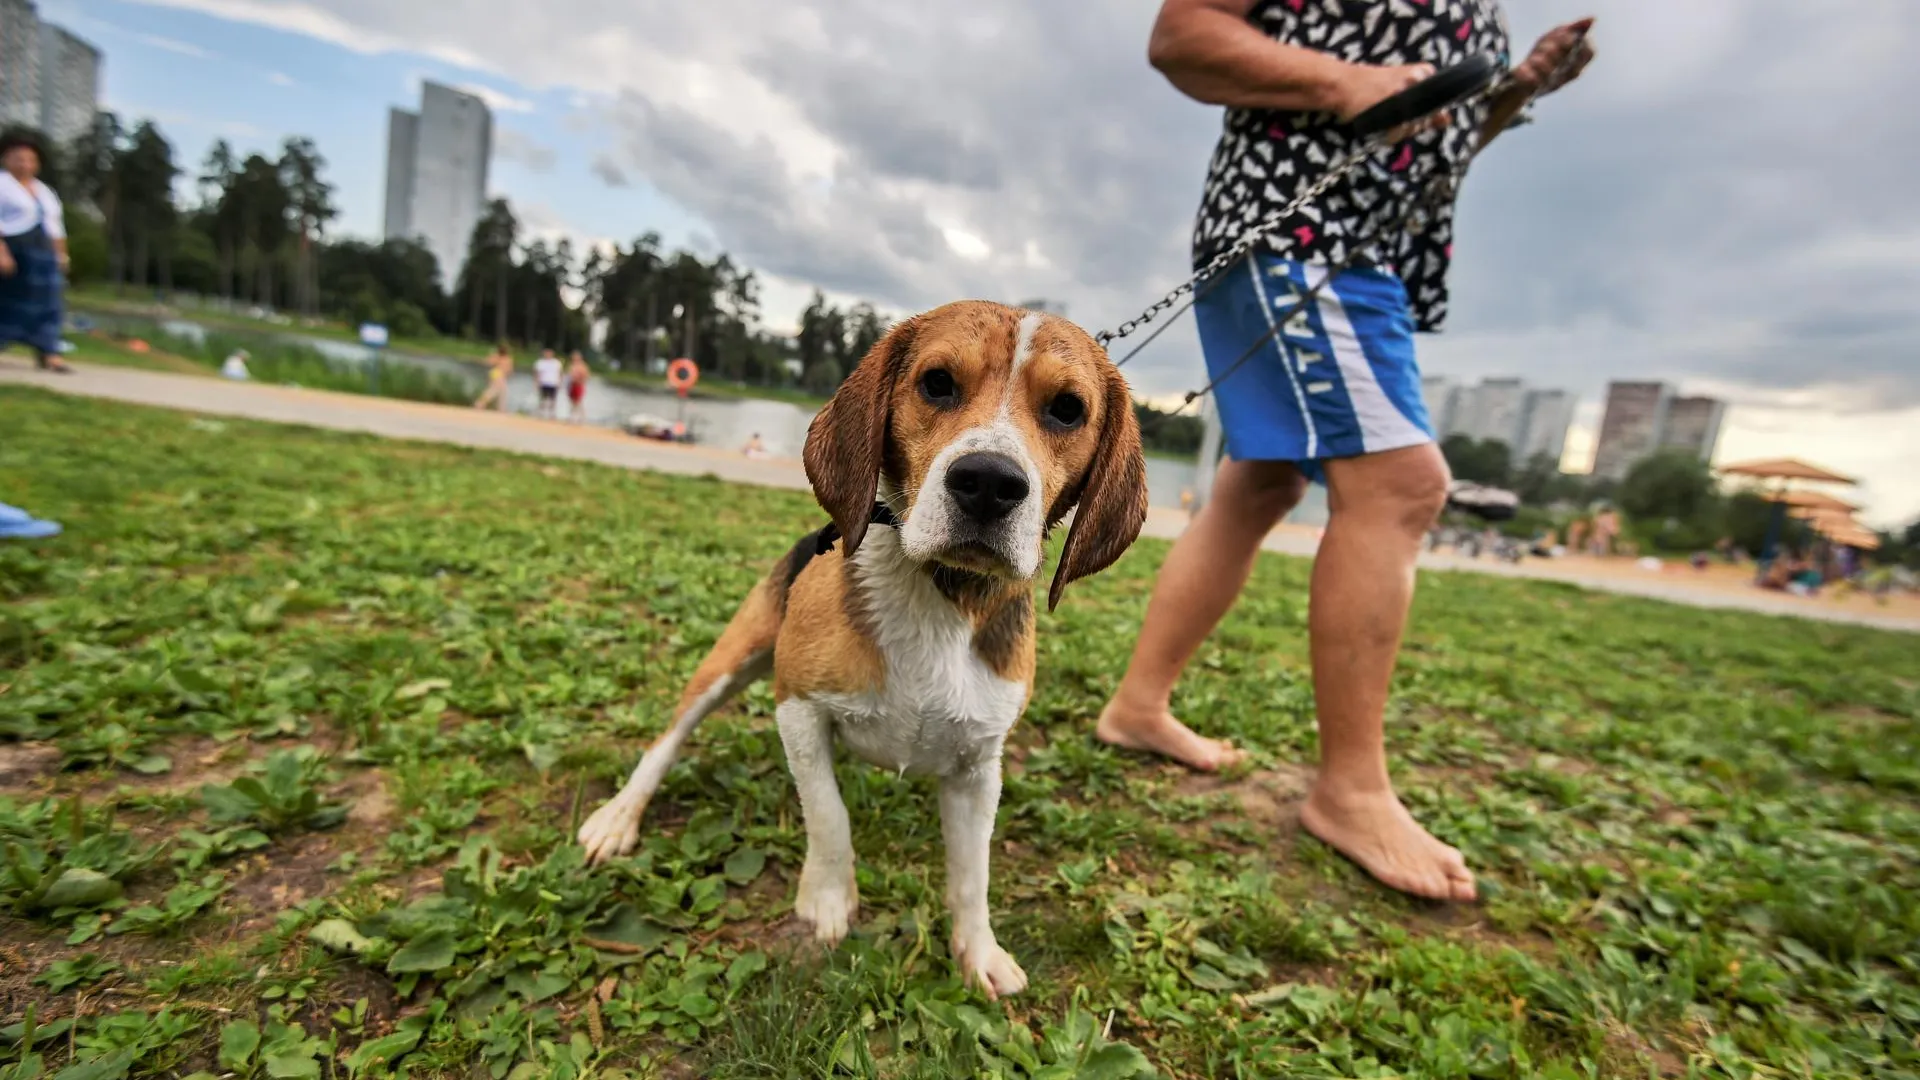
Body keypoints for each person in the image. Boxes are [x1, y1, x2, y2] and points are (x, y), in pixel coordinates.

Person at [1098, 1, 1594, 902]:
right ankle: (1352, 790)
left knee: (1261, 484)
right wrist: (1348, 81)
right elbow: (1183, 33)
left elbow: (1425, 147)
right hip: (1305, 240)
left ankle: (1139, 706)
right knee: (1404, 485)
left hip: (1359, 252)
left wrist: (1512, 90)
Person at [0, 130, 73, 373]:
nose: (25, 164)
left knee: (49, 303)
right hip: (13, 247)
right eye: (19, 158)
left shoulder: (45, 191)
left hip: (43, 253)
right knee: (8, 301)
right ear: (6, 159)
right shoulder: (3, 185)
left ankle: (49, 352)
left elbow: (56, 226)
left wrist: (61, 255)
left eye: (30, 159)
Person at [473, 343, 512, 411]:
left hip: (495, 373)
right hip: (499, 374)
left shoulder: (497, 356)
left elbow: (487, 361)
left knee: (501, 392)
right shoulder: (506, 358)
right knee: (494, 391)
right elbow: (509, 370)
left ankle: (501, 408)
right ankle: (480, 403)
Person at [533, 347, 564, 419]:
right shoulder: (540, 362)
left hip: (553, 383)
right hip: (543, 382)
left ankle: (552, 414)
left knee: (552, 400)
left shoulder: (556, 363)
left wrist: (560, 382)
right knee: (542, 399)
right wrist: (536, 382)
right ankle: (541, 413)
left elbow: (560, 373)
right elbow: (537, 374)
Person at [566, 350, 591, 423]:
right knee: (572, 401)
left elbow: (586, 376)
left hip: (578, 385)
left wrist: (580, 381)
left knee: (578, 401)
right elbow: (569, 375)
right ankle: (573, 416)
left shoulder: (582, 366)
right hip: (572, 384)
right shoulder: (571, 365)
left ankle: (581, 417)